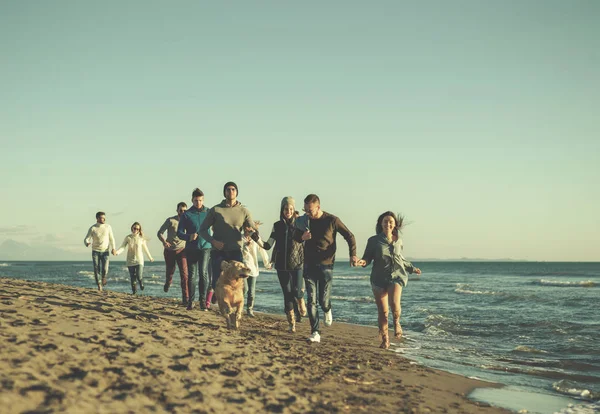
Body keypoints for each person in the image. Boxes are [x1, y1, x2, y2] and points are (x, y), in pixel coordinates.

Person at [294, 194, 358, 343]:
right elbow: (295, 235)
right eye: (306, 210)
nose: (308, 213)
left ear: (318, 207)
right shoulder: (304, 221)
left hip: (326, 265)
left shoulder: (332, 220)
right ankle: (315, 332)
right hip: (309, 264)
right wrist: (301, 237)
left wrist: (352, 255)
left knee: (323, 301)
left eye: (311, 211)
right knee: (311, 300)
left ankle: (327, 309)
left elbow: (350, 236)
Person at [357, 211, 421, 349]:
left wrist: (411, 268)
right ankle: (385, 339)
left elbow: (400, 258)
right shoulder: (373, 241)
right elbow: (367, 258)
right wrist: (362, 262)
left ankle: (397, 322)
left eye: (390, 221)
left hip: (396, 276)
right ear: (381, 224)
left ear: (395, 224)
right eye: (385, 221)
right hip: (378, 278)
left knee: (394, 305)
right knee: (383, 311)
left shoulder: (398, 240)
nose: (388, 224)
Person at [253, 197, 306, 333]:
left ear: (294, 210)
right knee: (287, 294)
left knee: (297, 290)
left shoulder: (300, 224)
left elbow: (306, 239)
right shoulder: (277, 226)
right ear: (282, 210)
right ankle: (292, 323)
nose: (288, 211)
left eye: (290, 209)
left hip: (298, 264)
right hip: (282, 265)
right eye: (285, 209)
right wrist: (255, 236)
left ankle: (300, 299)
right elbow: (267, 245)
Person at [199, 181, 257, 303]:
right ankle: (218, 294)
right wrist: (213, 241)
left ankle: (229, 301)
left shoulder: (244, 211)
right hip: (218, 252)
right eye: (228, 190)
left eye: (233, 189)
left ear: (237, 192)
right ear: (224, 192)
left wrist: (249, 233)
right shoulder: (216, 210)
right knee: (215, 283)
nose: (231, 192)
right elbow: (202, 230)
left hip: (235, 252)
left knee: (244, 288)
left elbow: (252, 230)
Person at [177, 189, 211, 311]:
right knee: (192, 276)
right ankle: (191, 302)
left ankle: (202, 302)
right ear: (192, 200)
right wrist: (188, 236)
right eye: (196, 200)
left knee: (203, 273)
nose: (198, 203)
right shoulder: (187, 215)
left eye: (200, 200)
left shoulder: (209, 212)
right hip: (191, 248)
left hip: (205, 247)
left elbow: (218, 225)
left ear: (203, 199)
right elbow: (179, 233)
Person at [157, 202, 189, 304]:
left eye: (185, 211)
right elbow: (159, 233)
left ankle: (186, 298)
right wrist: (164, 242)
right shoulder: (171, 220)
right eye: (181, 210)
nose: (183, 212)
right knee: (170, 272)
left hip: (182, 251)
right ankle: (168, 282)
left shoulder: (189, 222)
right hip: (170, 250)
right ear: (177, 210)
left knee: (184, 275)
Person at [242, 221, 271, 318]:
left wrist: (267, 263)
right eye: (247, 227)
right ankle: (239, 306)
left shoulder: (256, 239)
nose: (249, 229)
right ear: (244, 228)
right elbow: (239, 253)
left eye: (250, 228)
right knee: (244, 289)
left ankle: (250, 310)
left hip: (253, 269)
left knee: (252, 291)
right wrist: (246, 247)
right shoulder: (240, 238)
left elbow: (262, 250)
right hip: (243, 268)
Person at [115, 222, 154, 294]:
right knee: (132, 277)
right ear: (132, 228)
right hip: (130, 260)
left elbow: (146, 249)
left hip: (139, 260)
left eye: (137, 229)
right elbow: (123, 247)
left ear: (139, 230)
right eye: (134, 228)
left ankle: (141, 282)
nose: (136, 230)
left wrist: (150, 257)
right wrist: (117, 252)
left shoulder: (141, 238)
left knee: (139, 275)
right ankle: (134, 291)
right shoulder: (128, 237)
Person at [83, 211, 116, 291]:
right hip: (95, 251)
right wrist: (87, 243)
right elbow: (86, 238)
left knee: (105, 268)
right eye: (102, 217)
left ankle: (104, 277)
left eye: (104, 217)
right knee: (96, 268)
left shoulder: (108, 227)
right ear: (97, 218)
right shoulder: (93, 228)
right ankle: (99, 285)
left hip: (105, 251)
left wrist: (113, 248)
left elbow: (112, 239)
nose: (103, 219)